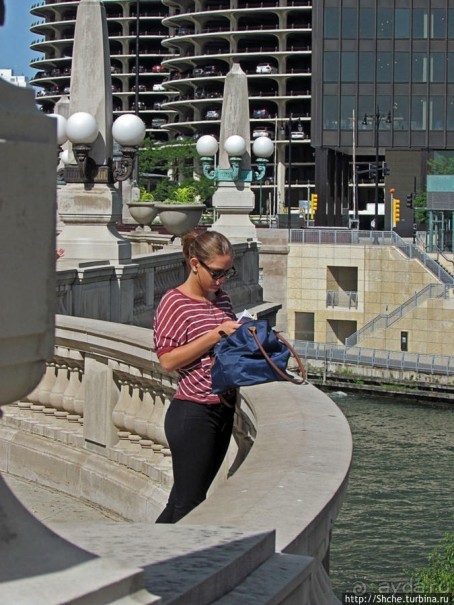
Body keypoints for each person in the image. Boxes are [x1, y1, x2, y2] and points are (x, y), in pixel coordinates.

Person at [153, 230, 240, 523]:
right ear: (194, 264)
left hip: (223, 410)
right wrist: (216, 334)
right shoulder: (174, 302)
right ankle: (174, 567)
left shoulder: (222, 299)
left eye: (228, 272)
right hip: (193, 413)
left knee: (182, 500)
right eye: (216, 273)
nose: (222, 280)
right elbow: (167, 360)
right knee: (190, 506)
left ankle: (145, 561)